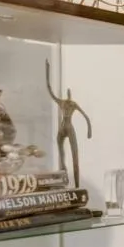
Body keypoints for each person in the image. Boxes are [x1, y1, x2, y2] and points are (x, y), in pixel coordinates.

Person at [44, 60, 91, 188]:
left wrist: (89, 131)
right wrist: (47, 70)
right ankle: (63, 179)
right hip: (63, 127)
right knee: (61, 154)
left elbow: (86, 116)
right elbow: (50, 90)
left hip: (68, 127)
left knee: (75, 155)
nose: (69, 94)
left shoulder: (72, 104)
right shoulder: (62, 102)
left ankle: (76, 186)